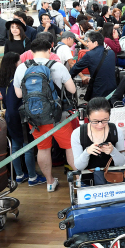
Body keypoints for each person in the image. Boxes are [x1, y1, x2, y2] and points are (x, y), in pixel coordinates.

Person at [13, 38, 77, 192]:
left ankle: (49, 182)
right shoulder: (57, 66)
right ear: (50, 49)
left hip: (35, 117)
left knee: (43, 148)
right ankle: (78, 180)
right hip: (58, 116)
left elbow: (19, 94)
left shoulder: (22, 68)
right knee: (69, 146)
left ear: (31, 51)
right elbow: (73, 90)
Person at [0, 52, 45, 185]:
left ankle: (19, 175)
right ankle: (32, 177)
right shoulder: (17, 79)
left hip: (9, 116)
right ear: (15, 63)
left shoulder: (3, 80)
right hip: (21, 115)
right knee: (28, 146)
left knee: (15, 147)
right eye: (19, 61)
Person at [71, 97, 125, 184]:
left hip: (113, 180)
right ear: (88, 117)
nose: (100, 125)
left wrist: (113, 151)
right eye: (95, 121)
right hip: (88, 181)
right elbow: (79, 166)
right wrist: (87, 152)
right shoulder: (78, 133)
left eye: (105, 120)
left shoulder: (116, 131)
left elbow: (121, 163)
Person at [70, 31, 117, 99]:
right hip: (112, 91)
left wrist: (67, 79)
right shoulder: (111, 53)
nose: (87, 44)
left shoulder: (90, 55)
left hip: (99, 92)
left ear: (95, 43)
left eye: (88, 41)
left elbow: (75, 69)